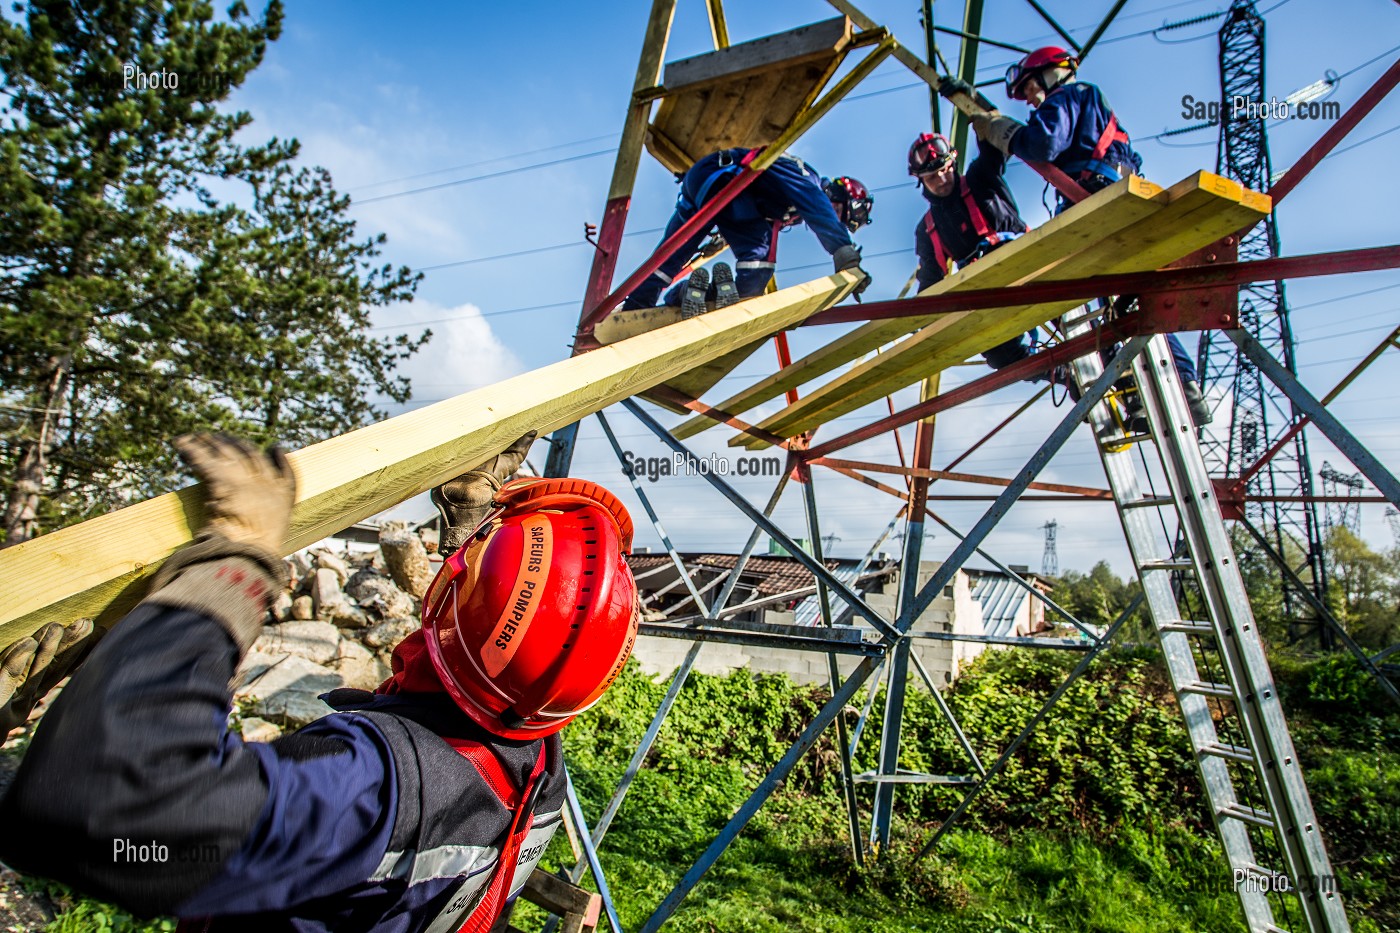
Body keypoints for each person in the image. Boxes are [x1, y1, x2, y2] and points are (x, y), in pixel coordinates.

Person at [0, 432, 640, 932]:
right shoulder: (534, 758)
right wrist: (478, 549)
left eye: (467, 565)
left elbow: (109, 828)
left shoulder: (365, 788)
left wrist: (232, 564)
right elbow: (506, 639)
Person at [968, 50, 1211, 425]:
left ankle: (1136, 392)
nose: (1032, 98)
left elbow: (1043, 144)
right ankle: (1176, 394)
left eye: (1031, 88)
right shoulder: (1091, 106)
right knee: (1129, 307)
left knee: (1098, 310)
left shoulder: (1071, 95)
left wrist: (1005, 133)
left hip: (1096, 207)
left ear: (1052, 74)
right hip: (1116, 203)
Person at [620, 148, 874, 317]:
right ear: (837, 194)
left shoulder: (789, 206)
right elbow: (817, 207)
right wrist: (844, 253)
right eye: (839, 212)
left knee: (669, 257)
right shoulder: (807, 178)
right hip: (725, 180)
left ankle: (635, 307)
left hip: (703, 182)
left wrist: (721, 238)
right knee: (758, 268)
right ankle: (708, 300)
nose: (834, 218)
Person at [906, 124, 1038, 373]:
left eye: (944, 171)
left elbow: (994, 149)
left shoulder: (981, 179)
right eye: (932, 177)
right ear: (920, 181)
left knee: (1066, 312)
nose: (942, 180)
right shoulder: (928, 228)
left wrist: (983, 123)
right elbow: (931, 278)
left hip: (1026, 262)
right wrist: (919, 317)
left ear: (952, 163)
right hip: (985, 288)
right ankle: (1059, 375)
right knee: (1000, 356)